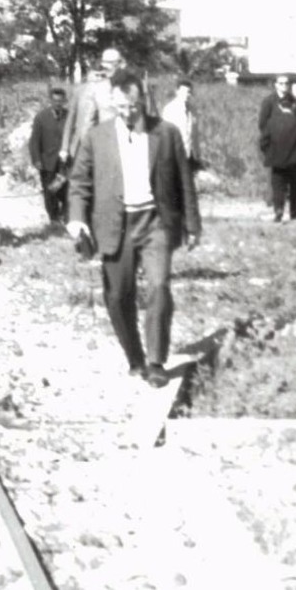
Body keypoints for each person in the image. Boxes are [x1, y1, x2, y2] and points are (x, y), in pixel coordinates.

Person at [66, 70, 201, 388]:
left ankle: (156, 361)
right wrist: (76, 218)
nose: (127, 113)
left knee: (160, 287)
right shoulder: (96, 137)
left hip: (155, 223)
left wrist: (193, 225)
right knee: (118, 296)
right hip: (116, 225)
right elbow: (79, 182)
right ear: (112, 102)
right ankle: (135, 357)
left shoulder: (166, 134)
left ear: (142, 101)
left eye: (133, 107)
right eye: (121, 108)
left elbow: (184, 182)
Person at [257, 74, 296, 222]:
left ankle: (291, 214)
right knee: (278, 184)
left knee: (293, 186)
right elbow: (262, 125)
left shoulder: (294, 101)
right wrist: (271, 146)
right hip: (276, 148)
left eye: (287, 84)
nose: (284, 86)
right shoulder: (268, 102)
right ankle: (278, 209)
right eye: (281, 83)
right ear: (276, 85)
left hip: (293, 150)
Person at [61, 47, 126, 165]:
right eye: (104, 65)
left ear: (120, 65)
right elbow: (72, 120)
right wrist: (65, 148)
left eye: (111, 65)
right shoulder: (82, 90)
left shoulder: (123, 89)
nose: (104, 70)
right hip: (83, 147)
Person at [28, 87, 70, 225]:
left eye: (60, 101)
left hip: (65, 162)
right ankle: (54, 219)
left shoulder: (69, 116)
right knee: (50, 190)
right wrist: (36, 159)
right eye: (55, 100)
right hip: (48, 161)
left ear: (64, 101)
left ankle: (65, 216)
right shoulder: (41, 117)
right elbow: (35, 140)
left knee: (66, 190)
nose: (58, 103)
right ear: (50, 101)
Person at [161, 78, 204, 174]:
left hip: (191, 155)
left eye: (189, 92)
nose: (186, 95)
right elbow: (166, 135)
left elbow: (195, 134)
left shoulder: (193, 110)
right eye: (183, 92)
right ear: (177, 92)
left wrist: (197, 155)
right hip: (175, 156)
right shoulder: (169, 110)